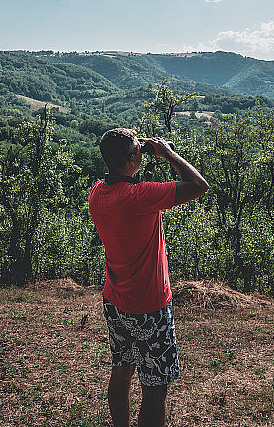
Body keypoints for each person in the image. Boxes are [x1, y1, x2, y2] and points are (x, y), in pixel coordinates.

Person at [88, 128, 209, 427]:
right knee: (155, 389)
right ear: (132, 159)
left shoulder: (97, 192)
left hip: (116, 300)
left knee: (121, 371)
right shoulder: (140, 197)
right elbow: (199, 185)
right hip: (149, 307)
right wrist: (167, 152)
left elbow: (122, 175)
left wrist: (135, 151)